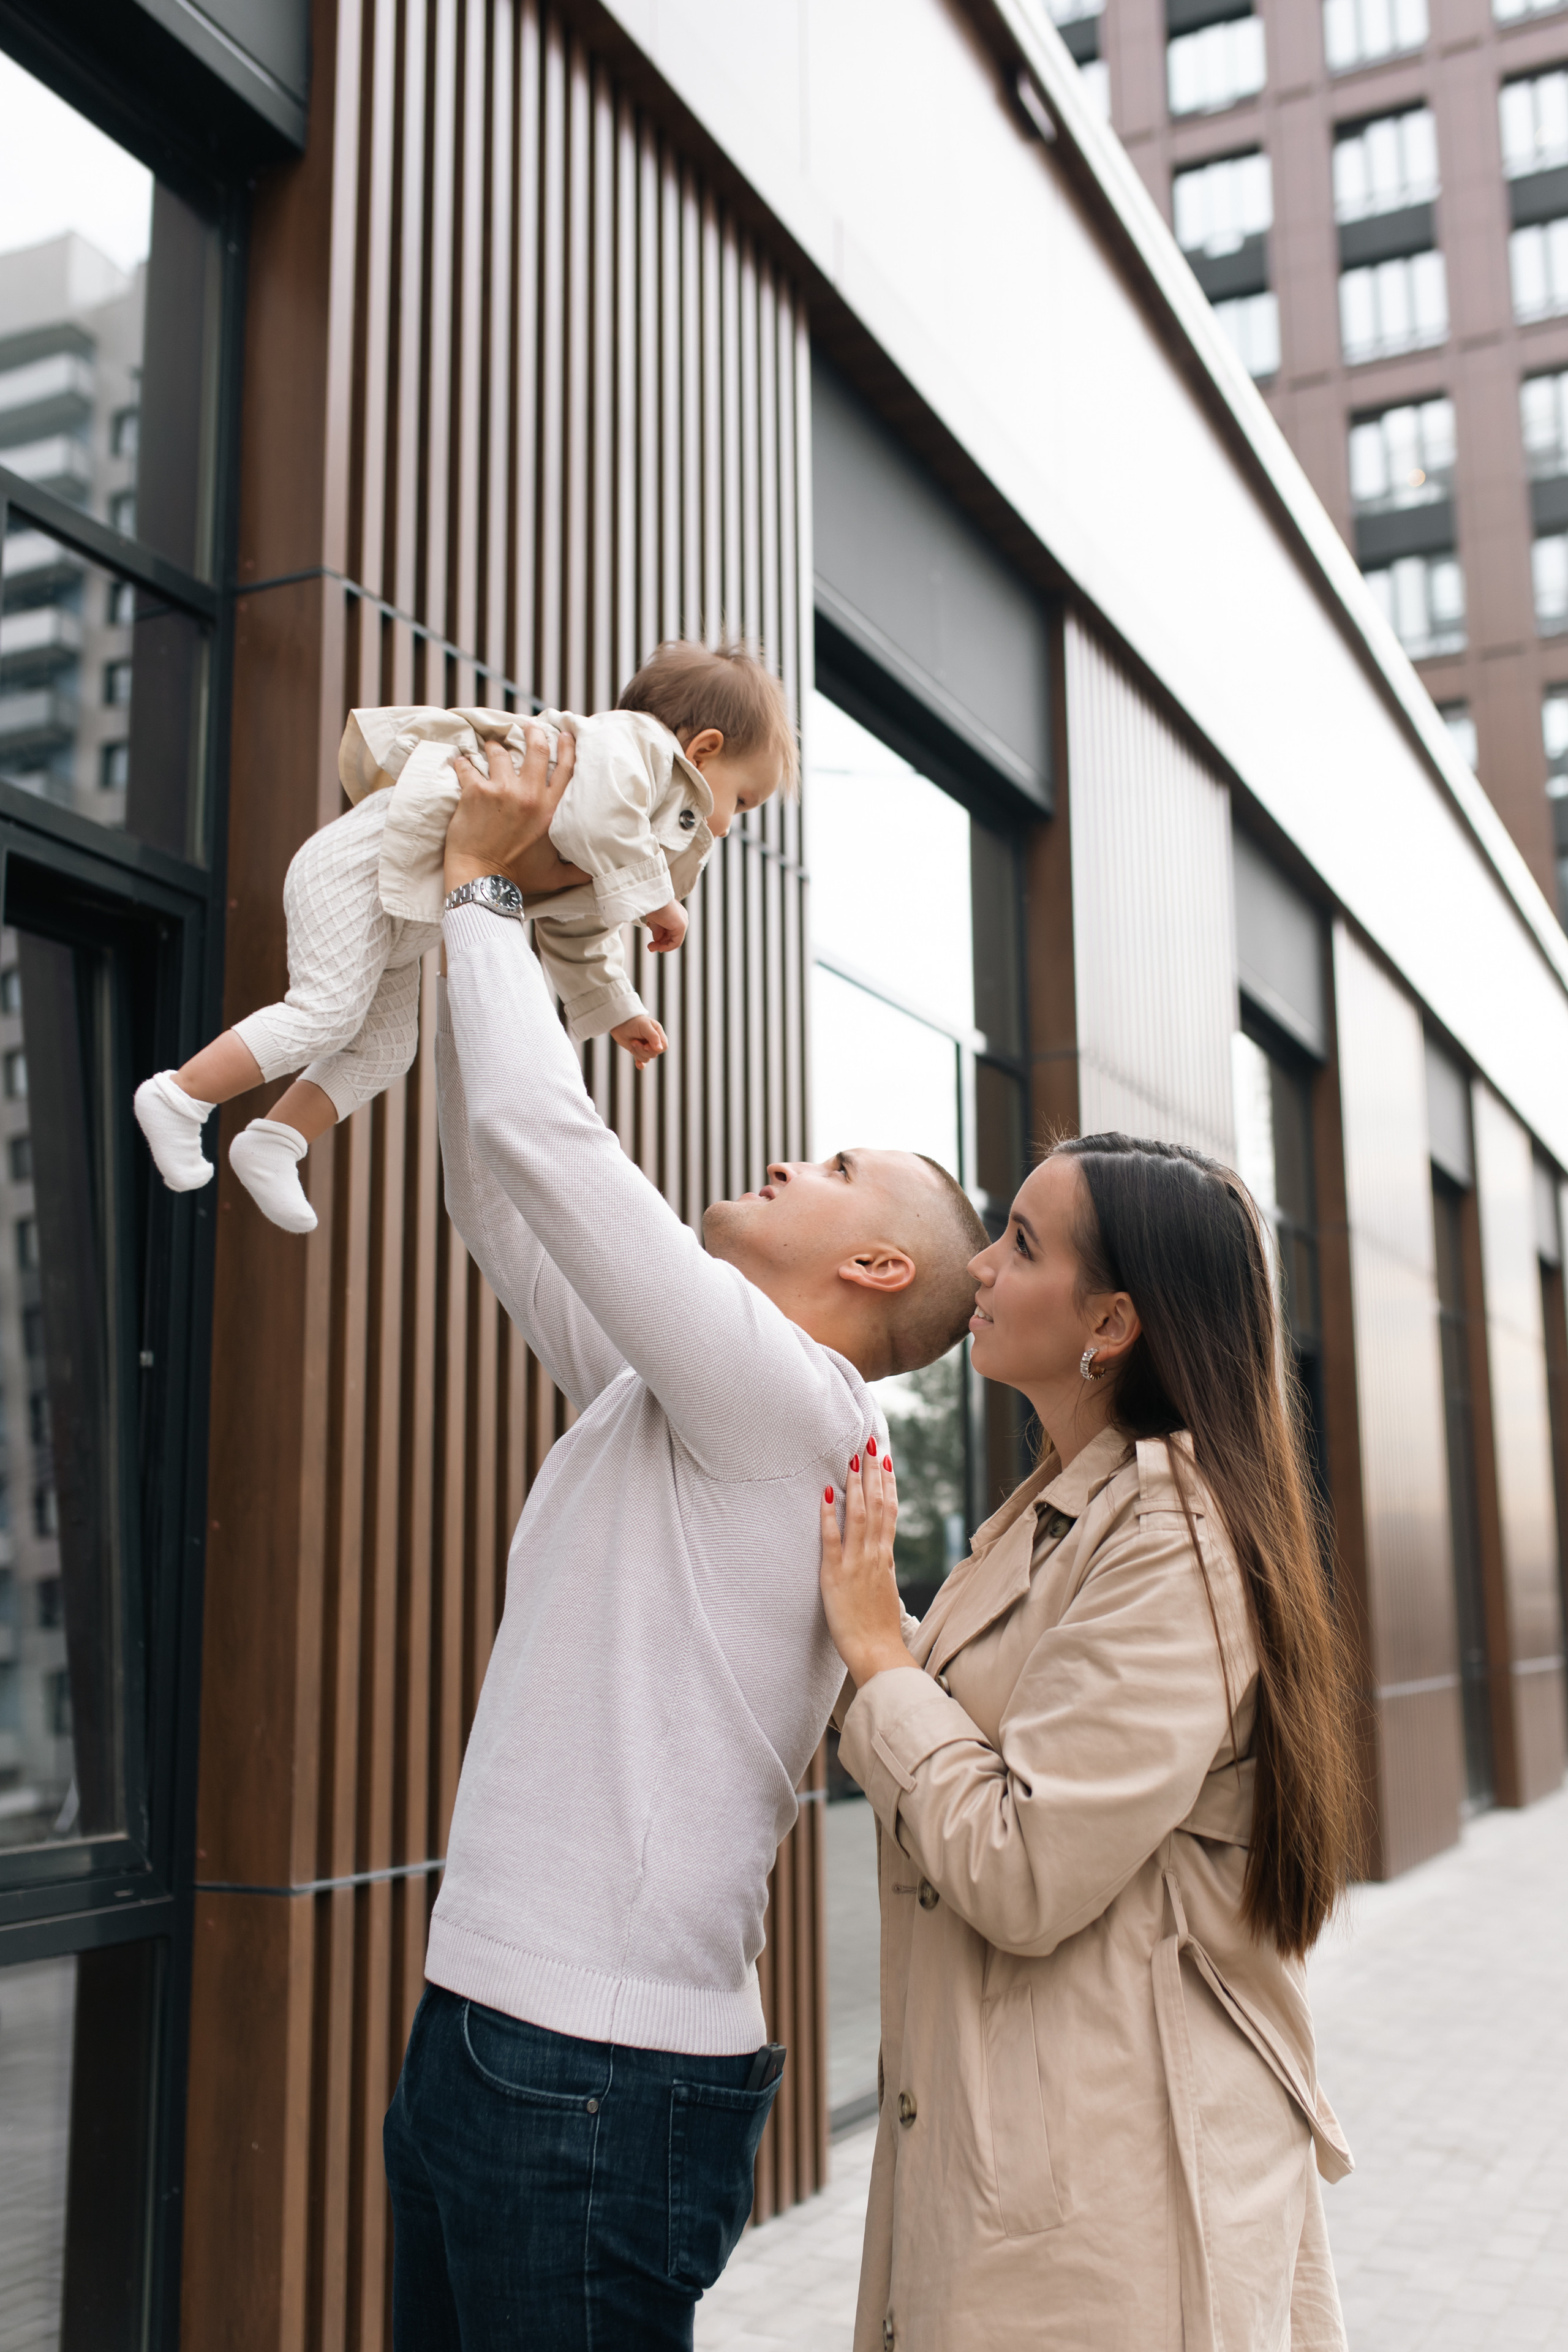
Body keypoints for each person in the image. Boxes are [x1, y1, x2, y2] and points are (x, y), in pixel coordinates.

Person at [380, 717, 989, 2350]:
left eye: (837, 1165)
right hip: (493, 2034)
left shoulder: (791, 1404)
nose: (792, 1156)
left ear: (875, 1272)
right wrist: (492, 925)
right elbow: (502, 1196)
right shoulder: (683, 1395)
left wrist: (490, 896)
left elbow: (548, 1146)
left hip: (591, 2083)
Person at [819, 1134, 1359, 2352]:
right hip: (1021, 2147)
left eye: (1019, 1244)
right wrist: (864, 1633)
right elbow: (960, 1725)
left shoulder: (1171, 1537)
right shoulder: (1060, 1512)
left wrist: (873, 1654)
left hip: (1116, 2201)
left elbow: (1021, 1865)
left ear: (1106, 1323)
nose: (978, 1270)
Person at [132, 638, 791, 1232]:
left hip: (400, 913)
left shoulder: (631, 831)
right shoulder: (629, 748)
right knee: (327, 1012)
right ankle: (179, 1096)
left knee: (387, 1047)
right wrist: (657, 901)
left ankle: (275, 1140)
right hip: (360, 866)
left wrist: (619, 1009)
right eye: (742, 800)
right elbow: (600, 820)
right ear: (702, 750)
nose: (729, 824)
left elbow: (582, 928)